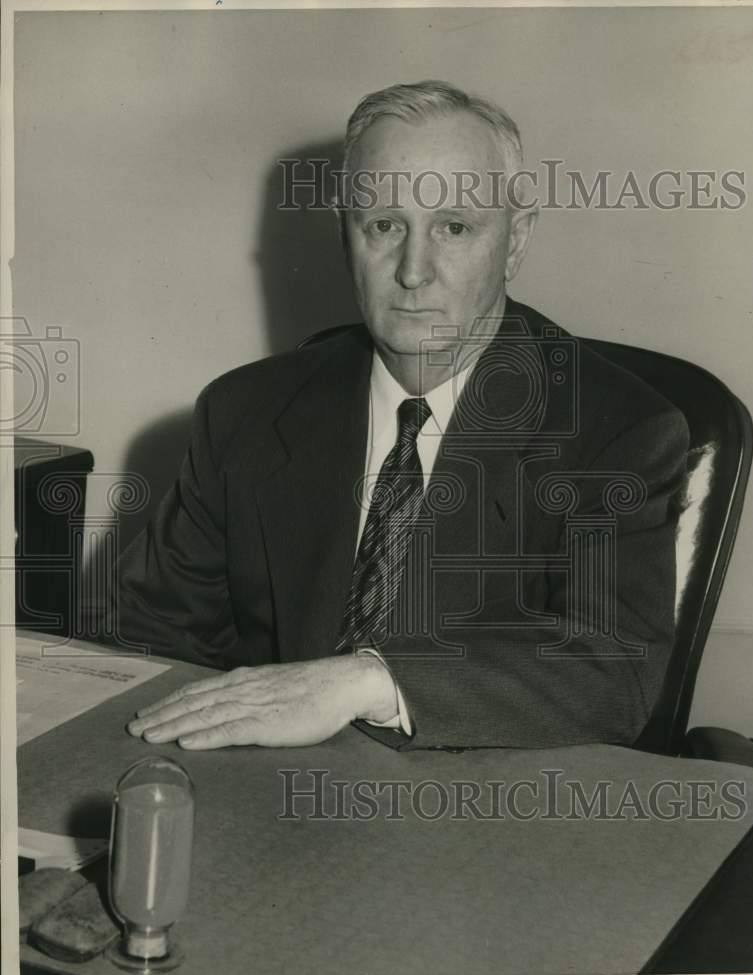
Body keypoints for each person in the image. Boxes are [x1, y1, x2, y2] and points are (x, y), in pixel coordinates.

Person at [118, 81, 689, 752]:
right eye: (384, 226)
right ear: (345, 237)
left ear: (513, 241)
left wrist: (366, 684)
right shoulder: (243, 411)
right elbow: (152, 638)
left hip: (483, 819)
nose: (413, 271)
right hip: (263, 803)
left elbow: (612, 676)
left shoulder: (616, 430)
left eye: (454, 228)